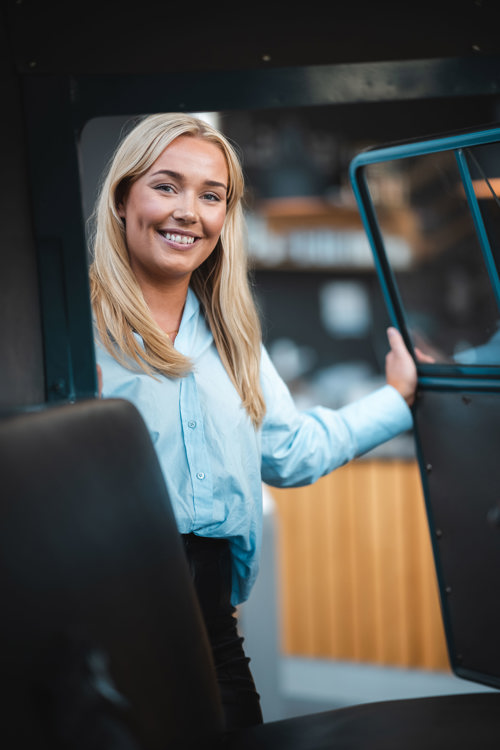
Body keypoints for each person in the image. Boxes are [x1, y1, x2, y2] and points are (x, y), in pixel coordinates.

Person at [89, 113, 417, 730]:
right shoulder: (70, 331)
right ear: (122, 198)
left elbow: (292, 453)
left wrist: (397, 398)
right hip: (97, 631)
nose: (189, 211)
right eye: (166, 186)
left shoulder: (235, 338)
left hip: (212, 631)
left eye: (211, 196)